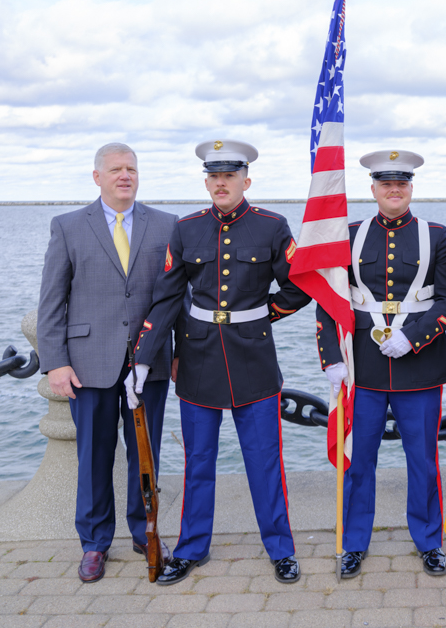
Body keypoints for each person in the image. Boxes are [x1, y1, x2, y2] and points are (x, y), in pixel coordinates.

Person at [127, 139, 312, 585]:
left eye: (229, 176)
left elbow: (300, 285)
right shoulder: (186, 228)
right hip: (198, 361)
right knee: (199, 462)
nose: (221, 183)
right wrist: (143, 359)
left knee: (265, 461)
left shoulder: (271, 226)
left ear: (245, 181)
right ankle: (192, 549)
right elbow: (167, 297)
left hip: (253, 361)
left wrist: (263, 314)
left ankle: (280, 549)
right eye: (214, 176)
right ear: (206, 181)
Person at [317, 150, 446, 578]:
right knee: (358, 459)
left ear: (411, 188)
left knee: (423, 458)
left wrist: (412, 336)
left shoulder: (437, 236)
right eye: (386, 184)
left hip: (419, 363)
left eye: (401, 183)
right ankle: (354, 542)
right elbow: (330, 301)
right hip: (361, 365)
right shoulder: (349, 234)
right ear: (374, 189)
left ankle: (429, 540)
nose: (393, 190)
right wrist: (330, 358)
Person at [38, 143, 177, 583]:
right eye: (115, 169)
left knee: (145, 452)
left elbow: (178, 298)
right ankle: (95, 542)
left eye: (131, 169)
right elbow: (52, 301)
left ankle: (144, 532)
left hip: (148, 361)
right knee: (94, 456)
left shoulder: (167, 226)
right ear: (97, 176)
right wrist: (55, 362)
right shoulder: (68, 227)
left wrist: (180, 357)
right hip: (88, 362)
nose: (125, 176)